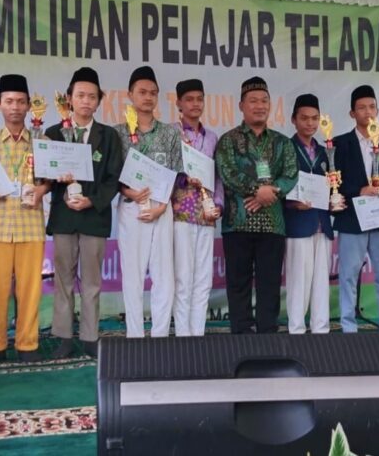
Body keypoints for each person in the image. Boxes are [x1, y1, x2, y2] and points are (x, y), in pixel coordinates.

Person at [46, 67, 123, 358]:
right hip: (64, 216)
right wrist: (58, 178)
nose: (86, 101)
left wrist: (91, 200)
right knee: (63, 279)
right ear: (69, 98)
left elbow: (114, 178)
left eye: (92, 96)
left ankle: (91, 337)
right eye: (80, 95)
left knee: (91, 281)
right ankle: (64, 337)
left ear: (99, 100)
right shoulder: (54, 133)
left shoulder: (109, 136)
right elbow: (44, 174)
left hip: (94, 217)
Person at [0, 75, 50, 365]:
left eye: (21, 101)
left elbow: (50, 181)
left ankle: (27, 345)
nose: (15, 107)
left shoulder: (41, 140)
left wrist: (41, 190)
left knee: (30, 289)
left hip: (30, 224)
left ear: (30, 106)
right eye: (9, 101)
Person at [216, 77, 298, 334]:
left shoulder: (282, 142)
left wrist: (270, 192)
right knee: (238, 283)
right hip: (237, 223)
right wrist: (257, 191)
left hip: (273, 224)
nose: (259, 106)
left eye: (264, 101)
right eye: (253, 101)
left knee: (269, 283)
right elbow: (227, 173)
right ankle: (240, 334)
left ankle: (267, 334)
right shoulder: (228, 140)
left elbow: (290, 175)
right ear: (241, 105)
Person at [114, 66, 183, 338]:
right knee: (133, 276)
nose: (148, 97)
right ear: (130, 94)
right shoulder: (118, 133)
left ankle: (160, 336)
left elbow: (177, 172)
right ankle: (134, 336)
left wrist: (163, 204)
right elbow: (112, 173)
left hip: (161, 209)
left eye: (153, 93)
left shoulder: (168, 133)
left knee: (163, 277)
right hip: (131, 209)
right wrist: (128, 192)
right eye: (142, 92)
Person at [332, 85, 379, 333]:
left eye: (372, 107)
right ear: (352, 113)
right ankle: (348, 326)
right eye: (362, 108)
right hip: (352, 219)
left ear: (378, 109)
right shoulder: (339, 144)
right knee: (349, 275)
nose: (368, 112)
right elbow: (335, 183)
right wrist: (359, 191)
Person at [171, 79, 223, 337]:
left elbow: (218, 177)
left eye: (199, 99)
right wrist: (182, 177)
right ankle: (183, 338)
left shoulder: (212, 137)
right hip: (180, 213)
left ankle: (197, 336)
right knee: (183, 280)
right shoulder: (171, 133)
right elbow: (162, 173)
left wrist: (219, 206)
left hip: (206, 215)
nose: (195, 104)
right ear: (178, 103)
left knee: (203, 280)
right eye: (189, 99)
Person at [282, 94, 333, 335]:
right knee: (298, 281)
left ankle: (321, 328)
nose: (310, 124)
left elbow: (333, 186)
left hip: (322, 223)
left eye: (314, 119)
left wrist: (335, 200)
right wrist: (292, 202)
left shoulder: (326, 152)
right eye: (304, 118)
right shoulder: (285, 147)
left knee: (321, 281)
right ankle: (297, 329)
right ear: (294, 120)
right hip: (297, 223)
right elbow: (278, 185)